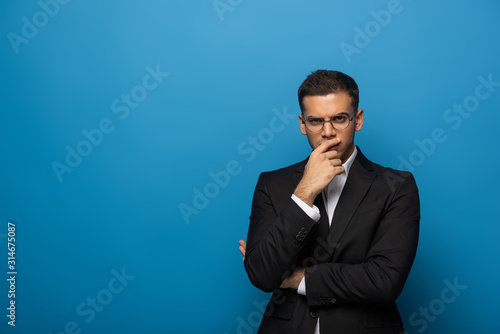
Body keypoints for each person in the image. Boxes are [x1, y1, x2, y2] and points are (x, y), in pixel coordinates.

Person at [238, 70, 420, 334]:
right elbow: (262, 275)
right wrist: (304, 193)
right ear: (302, 124)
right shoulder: (271, 184)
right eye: (315, 121)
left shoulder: (396, 186)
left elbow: (385, 280)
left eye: (339, 119)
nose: (327, 132)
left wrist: (300, 280)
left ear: (357, 119)